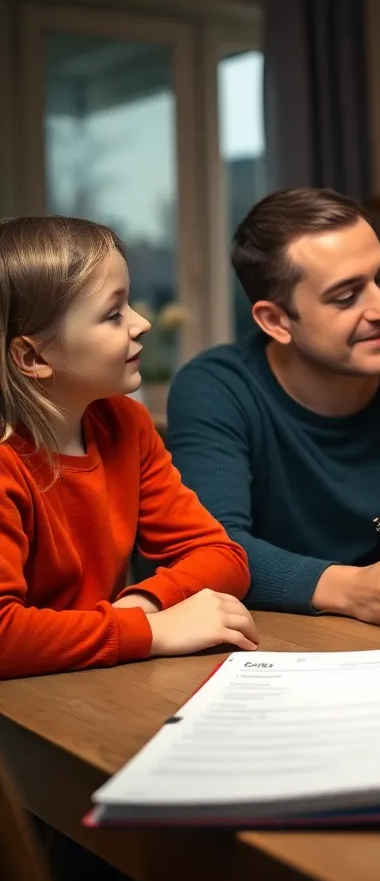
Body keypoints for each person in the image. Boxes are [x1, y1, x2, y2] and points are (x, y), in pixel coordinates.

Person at [166, 188, 380, 626]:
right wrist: (347, 588)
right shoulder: (217, 388)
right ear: (276, 321)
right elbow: (211, 548)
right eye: (346, 297)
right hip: (274, 640)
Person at [0, 216, 254, 681]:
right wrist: (152, 632)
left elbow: (223, 555)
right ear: (33, 358)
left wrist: (146, 603)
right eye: (113, 313)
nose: (142, 322)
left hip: (98, 682)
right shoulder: (6, 463)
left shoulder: (126, 424)